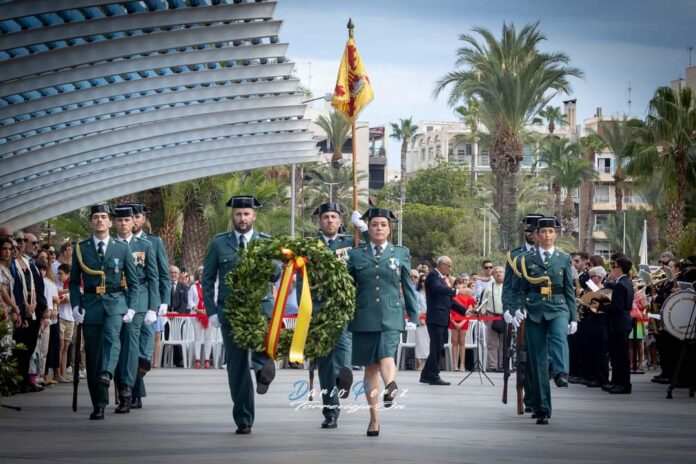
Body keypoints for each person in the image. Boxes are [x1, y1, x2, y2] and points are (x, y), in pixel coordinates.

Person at [202, 195, 277, 435]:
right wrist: (212, 311)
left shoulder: (266, 242)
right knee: (236, 367)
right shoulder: (219, 243)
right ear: (232, 216)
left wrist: (275, 260)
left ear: (254, 216)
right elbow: (207, 279)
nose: (242, 218)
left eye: (246, 214)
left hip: (260, 308)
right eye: (238, 214)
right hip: (230, 311)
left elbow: (276, 275)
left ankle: (263, 369)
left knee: (261, 352)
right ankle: (244, 419)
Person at [347, 208, 419, 437]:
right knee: (370, 368)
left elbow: (408, 286)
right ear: (368, 227)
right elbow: (348, 288)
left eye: (383, 225)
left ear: (390, 229)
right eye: (375, 224)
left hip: (391, 315)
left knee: (386, 354)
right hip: (364, 316)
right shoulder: (356, 255)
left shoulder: (400, 253)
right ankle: (374, 418)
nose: (379, 228)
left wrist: (413, 316)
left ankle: (390, 386)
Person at [69, 203, 140, 420]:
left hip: (115, 302)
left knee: (112, 337)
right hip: (90, 305)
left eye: (103, 217)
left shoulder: (122, 247)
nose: (100, 220)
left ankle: (107, 373)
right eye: (96, 217)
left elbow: (134, 282)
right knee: (92, 356)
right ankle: (98, 404)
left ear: (110, 222)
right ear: (91, 222)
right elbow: (73, 282)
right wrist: (74, 305)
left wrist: (131, 307)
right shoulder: (81, 249)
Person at [505, 216, 576, 425]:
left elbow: (570, 290)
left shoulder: (563, 258)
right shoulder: (524, 259)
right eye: (543, 232)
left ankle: (561, 372)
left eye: (551, 232)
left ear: (555, 234)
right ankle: (543, 407)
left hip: (558, 306)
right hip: (534, 309)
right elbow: (518, 289)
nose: (547, 235)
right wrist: (516, 309)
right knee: (537, 360)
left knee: (559, 336)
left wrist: (574, 316)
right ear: (536, 235)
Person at [311, 202, 357, 429]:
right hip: (318, 309)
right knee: (325, 364)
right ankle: (330, 412)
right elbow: (302, 277)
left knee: (344, 348)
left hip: (343, 307)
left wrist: (363, 228)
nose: (330, 221)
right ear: (320, 222)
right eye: (326, 217)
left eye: (334, 217)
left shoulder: (351, 241)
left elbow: (374, 247)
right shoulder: (311, 245)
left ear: (340, 222)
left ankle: (343, 377)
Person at [113, 206, 160, 414]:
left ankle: (127, 391)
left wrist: (154, 306)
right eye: (119, 220)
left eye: (127, 220)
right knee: (116, 344)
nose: (123, 223)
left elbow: (154, 276)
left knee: (131, 347)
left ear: (134, 222)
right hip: (115, 297)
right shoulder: (109, 245)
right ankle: (121, 388)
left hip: (139, 297)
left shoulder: (145, 245)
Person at [129, 203, 170, 409]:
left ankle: (134, 391)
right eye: (130, 217)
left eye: (136, 216)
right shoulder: (119, 242)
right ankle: (133, 393)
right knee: (130, 349)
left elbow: (162, 274)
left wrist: (163, 302)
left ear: (143, 219)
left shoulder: (153, 242)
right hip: (124, 300)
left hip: (147, 301)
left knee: (142, 351)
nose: (133, 220)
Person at [420, 256, 468, 386]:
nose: (450, 269)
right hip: (436, 318)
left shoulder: (440, 278)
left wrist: (465, 311)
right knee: (436, 347)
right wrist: (457, 291)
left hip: (441, 318)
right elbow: (438, 289)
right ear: (442, 265)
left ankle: (426, 375)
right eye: (449, 266)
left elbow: (448, 300)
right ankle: (433, 375)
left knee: (437, 347)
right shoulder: (433, 276)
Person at [602, 256, 635, 394]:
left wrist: (601, 306)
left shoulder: (622, 284)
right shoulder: (624, 281)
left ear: (620, 269)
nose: (612, 269)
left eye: (614, 266)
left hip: (620, 323)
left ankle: (623, 384)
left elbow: (618, 307)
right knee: (616, 355)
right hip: (620, 322)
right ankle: (616, 381)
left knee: (620, 356)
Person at [480, 266, 505, 372]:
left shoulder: (508, 288)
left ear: (504, 274)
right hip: (491, 316)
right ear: (493, 275)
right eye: (496, 272)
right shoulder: (488, 288)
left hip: (505, 317)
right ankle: (493, 366)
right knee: (491, 343)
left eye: (501, 272)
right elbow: (483, 304)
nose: (498, 274)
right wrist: (484, 317)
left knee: (504, 344)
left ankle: (503, 365)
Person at [188, 266, 212, 369]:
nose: (202, 276)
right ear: (198, 275)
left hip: (208, 314)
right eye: (201, 274)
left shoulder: (211, 286)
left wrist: (208, 309)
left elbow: (214, 299)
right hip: (196, 314)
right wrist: (197, 309)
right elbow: (190, 301)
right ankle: (197, 359)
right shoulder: (193, 287)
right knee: (197, 337)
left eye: (204, 274)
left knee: (208, 337)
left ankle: (207, 359)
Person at [451, 276, 476, 371]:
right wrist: (454, 322)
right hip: (453, 320)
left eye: (464, 284)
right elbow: (449, 310)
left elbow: (469, 310)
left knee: (462, 342)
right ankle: (454, 364)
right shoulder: (452, 295)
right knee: (454, 341)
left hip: (464, 321)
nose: (463, 285)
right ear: (456, 285)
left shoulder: (468, 297)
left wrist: (462, 322)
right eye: (460, 283)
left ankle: (462, 364)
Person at [56, 263, 73, 382]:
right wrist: (62, 301)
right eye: (58, 273)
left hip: (70, 318)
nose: (59, 275)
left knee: (66, 346)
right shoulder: (58, 285)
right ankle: (58, 373)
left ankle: (64, 372)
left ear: (68, 274)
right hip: (61, 317)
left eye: (61, 273)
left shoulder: (72, 284)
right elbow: (55, 301)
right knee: (60, 346)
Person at [414, 274, 429, 371]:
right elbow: (415, 307)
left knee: (428, 343)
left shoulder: (432, 293)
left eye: (425, 280)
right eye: (422, 280)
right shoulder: (416, 293)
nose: (424, 283)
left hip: (430, 320)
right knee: (419, 342)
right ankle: (420, 364)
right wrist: (420, 318)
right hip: (420, 319)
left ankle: (427, 364)